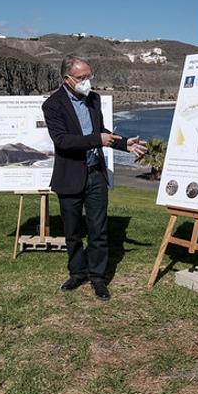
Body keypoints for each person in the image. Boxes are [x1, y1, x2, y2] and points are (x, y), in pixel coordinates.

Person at [42, 56, 147, 301]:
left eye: (89, 76)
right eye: (81, 78)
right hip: (69, 176)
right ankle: (77, 273)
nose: (87, 82)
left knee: (99, 230)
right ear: (67, 79)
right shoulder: (53, 105)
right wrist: (96, 139)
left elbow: (101, 131)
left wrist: (123, 143)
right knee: (73, 232)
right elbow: (63, 141)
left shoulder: (93, 99)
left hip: (96, 174)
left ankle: (98, 278)